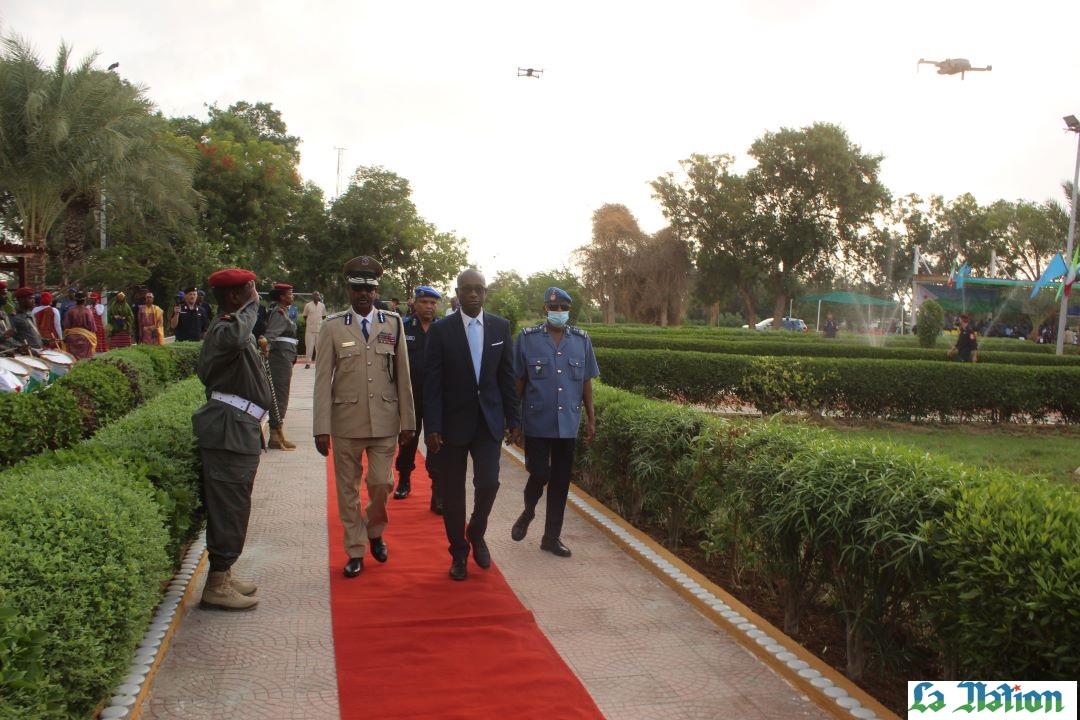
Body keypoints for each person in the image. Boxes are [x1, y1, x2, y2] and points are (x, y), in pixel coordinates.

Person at [314, 256, 415, 579]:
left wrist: (408, 421)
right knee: (347, 491)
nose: (363, 294)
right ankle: (355, 550)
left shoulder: (393, 323)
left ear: (376, 290)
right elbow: (322, 382)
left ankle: (374, 530)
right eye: (357, 288)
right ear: (349, 289)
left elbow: (403, 376)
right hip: (345, 421)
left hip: (385, 420)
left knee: (382, 483)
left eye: (369, 289)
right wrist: (321, 428)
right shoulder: (332, 327)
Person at [424, 269, 519, 581]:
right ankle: (459, 553)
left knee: (489, 483)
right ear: (457, 292)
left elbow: (507, 377)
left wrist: (514, 419)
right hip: (452, 424)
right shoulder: (441, 330)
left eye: (479, 289)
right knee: (452, 493)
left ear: (486, 292)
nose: (474, 294)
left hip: (488, 422)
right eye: (468, 289)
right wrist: (432, 425)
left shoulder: (500, 327)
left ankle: (476, 532)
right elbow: (432, 383)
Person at [192, 268, 272, 611]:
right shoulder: (227, 328)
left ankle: (222, 573)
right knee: (230, 506)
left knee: (235, 505)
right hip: (229, 429)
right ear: (236, 297)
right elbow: (239, 336)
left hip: (238, 426)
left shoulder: (230, 329)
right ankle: (217, 583)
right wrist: (251, 307)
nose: (255, 297)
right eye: (250, 291)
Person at [510, 287, 599, 558]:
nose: (558, 313)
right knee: (540, 473)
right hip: (537, 421)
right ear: (544, 310)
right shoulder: (527, 339)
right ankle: (528, 511)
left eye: (563, 308)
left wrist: (591, 417)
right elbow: (519, 383)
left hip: (568, 423)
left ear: (569, 311)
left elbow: (586, 382)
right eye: (553, 308)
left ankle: (551, 537)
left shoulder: (581, 340)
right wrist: (513, 420)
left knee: (560, 482)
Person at [393, 285, 444, 512]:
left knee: (437, 444)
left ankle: (438, 491)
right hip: (410, 397)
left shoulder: (443, 329)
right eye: (424, 302)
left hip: (437, 398)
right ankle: (404, 480)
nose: (429, 307)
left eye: (433, 303)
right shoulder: (403, 328)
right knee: (407, 441)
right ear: (414, 303)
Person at [262, 283, 299, 450]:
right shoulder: (278, 312)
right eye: (289, 293)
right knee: (280, 395)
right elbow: (270, 336)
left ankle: (278, 433)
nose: (292, 296)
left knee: (281, 394)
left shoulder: (282, 311)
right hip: (279, 357)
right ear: (282, 297)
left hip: (285, 355)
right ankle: (275, 435)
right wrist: (266, 351)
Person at [63, 291, 98, 359]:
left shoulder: (70, 311)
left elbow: (66, 326)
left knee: (72, 360)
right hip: (85, 338)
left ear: (75, 300)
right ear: (85, 300)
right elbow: (93, 328)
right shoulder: (88, 311)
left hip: (71, 338)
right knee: (85, 361)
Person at [301, 291, 326, 369]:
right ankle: (308, 363)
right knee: (309, 347)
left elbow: (324, 316)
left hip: (319, 329)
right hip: (310, 330)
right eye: (315, 295)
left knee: (319, 347)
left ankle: (319, 363)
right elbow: (305, 316)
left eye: (318, 295)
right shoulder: (308, 305)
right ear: (312, 296)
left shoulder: (322, 305)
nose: (317, 297)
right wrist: (309, 323)